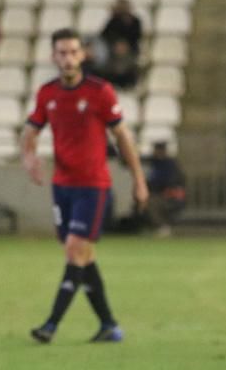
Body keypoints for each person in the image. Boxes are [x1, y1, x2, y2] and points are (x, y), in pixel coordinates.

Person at [21, 28, 149, 344]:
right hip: (62, 185)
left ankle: (50, 325)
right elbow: (31, 130)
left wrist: (139, 179)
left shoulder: (100, 92)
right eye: (61, 53)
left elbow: (123, 137)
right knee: (83, 256)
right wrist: (29, 157)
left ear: (83, 55)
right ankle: (109, 325)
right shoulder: (47, 93)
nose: (67, 58)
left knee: (74, 249)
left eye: (73, 52)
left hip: (93, 185)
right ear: (54, 56)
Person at [144, 141, 185, 235]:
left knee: (153, 203)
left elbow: (169, 181)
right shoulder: (154, 162)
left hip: (168, 193)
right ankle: (158, 226)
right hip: (157, 192)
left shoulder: (170, 164)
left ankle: (163, 226)